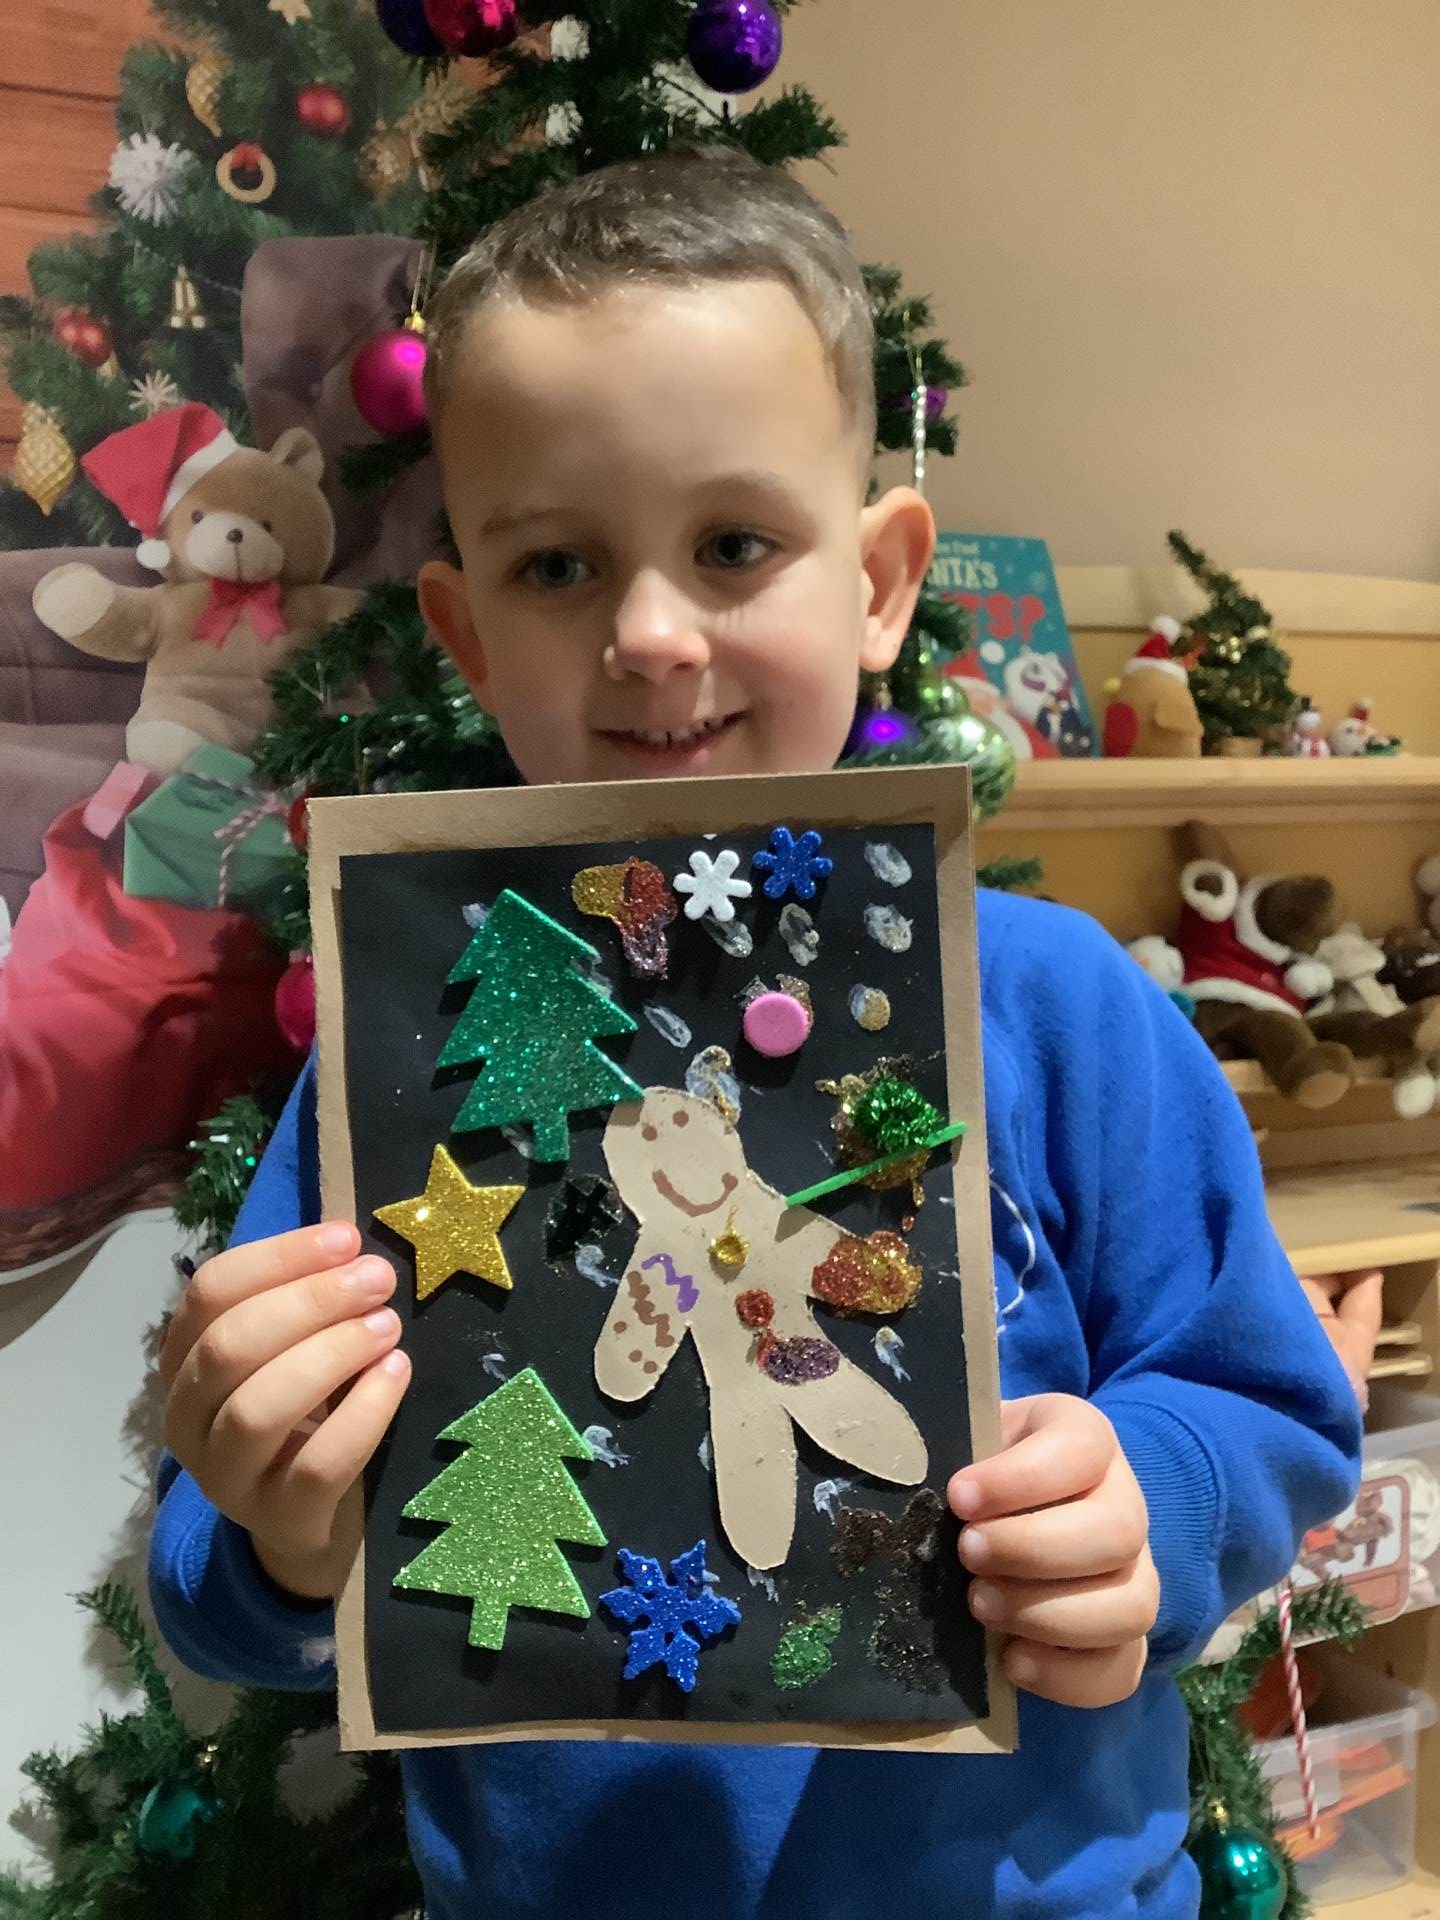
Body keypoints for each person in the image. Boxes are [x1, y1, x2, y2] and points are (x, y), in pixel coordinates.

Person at [150, 148, 1360, 1919]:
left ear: (878, 582)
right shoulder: (409, 1051)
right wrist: (271, 1516)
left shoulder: (1058, 1003)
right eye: (559, 564)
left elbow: (1270, 1403)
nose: (650, 635)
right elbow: (216, 1587)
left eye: (732, 546)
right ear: (466, 635)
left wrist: (1152, 1503)